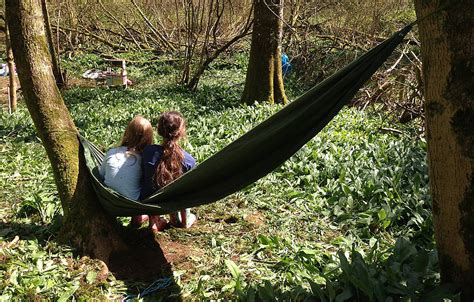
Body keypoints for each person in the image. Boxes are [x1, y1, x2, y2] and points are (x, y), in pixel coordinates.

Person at [141, 111, 197, 233]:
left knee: (151, 184)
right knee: (182, 195)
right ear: (182, 132)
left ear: (159, 130)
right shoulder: (188, 160)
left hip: (150, 201)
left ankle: (154, 221)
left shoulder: (148, 152)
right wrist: (184, 221)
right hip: (174, 201)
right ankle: (183, 220)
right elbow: (186, 191)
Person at [99, 115, 154, 225]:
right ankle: (137, 218)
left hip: (108, 200)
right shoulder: (143, 159)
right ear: (148, 138)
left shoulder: (111, 152)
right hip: (132, 204)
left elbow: (101, 175)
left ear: (127, 133)